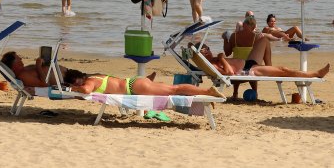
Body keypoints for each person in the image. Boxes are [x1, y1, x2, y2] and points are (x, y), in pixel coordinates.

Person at [199, 44, 330, 81]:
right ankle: (315, 74)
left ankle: (271, 68)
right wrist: (222, 58)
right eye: (205, 51)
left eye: (208, 48)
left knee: (264, 39)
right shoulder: (212, 65)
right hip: (247, 71)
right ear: (202, 55)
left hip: (248, 63)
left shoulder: (214, 60)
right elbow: (229, 73)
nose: (209, 51)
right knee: (284, 70)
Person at [63, 68, 224, 98]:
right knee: (171, 89)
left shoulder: (89, 81)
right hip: (135, 82)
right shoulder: (95, 75)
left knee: (175, 89)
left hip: (134, 88)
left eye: (73, 81)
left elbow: (86, 91)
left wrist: (73, 88)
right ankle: (149, 80)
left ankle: (207, 92)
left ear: (77, 79)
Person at [0, 51, 72, 88]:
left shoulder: (24, 70)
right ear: (13, 64)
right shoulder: (23, 76)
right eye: (18, 58)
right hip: (67, 81)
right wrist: (38, 66)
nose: (20, 59)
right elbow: (45, 85)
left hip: (69, 74)